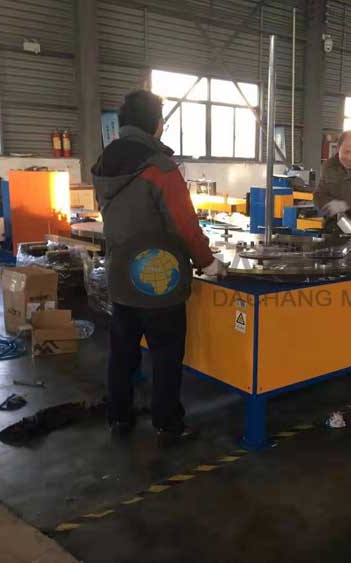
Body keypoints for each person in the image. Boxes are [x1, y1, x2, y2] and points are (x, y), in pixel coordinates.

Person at [92, 90, 226, 446]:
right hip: (158, 279)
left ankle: (119, 416)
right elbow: (185, 225)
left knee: (123, 352)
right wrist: (208, 262)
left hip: (121, 275)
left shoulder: (104, 164)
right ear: (156, 123)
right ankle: (167, 423)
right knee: (166, 355)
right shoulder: (160, 168)